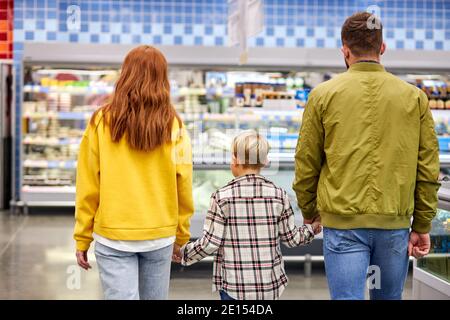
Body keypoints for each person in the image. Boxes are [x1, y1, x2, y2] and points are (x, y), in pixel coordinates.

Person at [293, 12, 440, 300]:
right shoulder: (414, 98)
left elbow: (306, 162)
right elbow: (427, 169)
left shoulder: (322, 95)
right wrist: (422, 225)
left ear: (345, 51)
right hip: (394, 224)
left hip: (342, 224)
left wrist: (310, 211)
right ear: (382, 48)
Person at [73, 45, 194, 300]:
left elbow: (87, 184)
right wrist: (181, 235)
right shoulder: (174, 124)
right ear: (163, 78)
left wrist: (82, 237)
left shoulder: (101, 121)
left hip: (113, 234)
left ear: (124, 74)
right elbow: (183, 182)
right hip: (159, 235)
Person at [179, 130, 321, 300]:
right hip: (269, 286)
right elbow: (292, 238)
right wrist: (311, 229)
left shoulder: (221, 197)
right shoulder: (278, 195)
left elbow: (210, 243)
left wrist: (183, 253)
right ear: (265, 161)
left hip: (234, 287)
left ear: (235, 160)